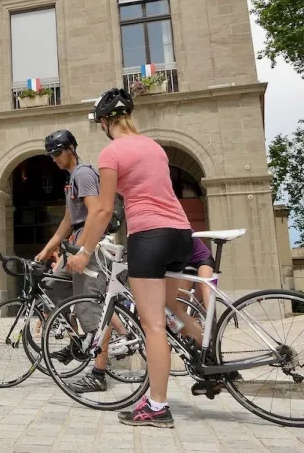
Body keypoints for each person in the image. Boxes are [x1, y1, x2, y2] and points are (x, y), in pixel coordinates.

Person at [66, 88, 200, 428]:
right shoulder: (153, 147)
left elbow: (105, 210)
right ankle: (210, 357)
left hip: (149, 236)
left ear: (105, 122)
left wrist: (84, 251)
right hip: (181, 234)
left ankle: (156, 406)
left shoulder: (112, 152)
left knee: (152, 324)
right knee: (175, 309)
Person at [34, 129, 117, 393]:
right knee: (52, 284)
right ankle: (81, 341)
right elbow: (68, 220)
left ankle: (99, 374)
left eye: (58, 152)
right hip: (76, 243)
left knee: (91, 310)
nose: (55, 158)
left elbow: (95, 212)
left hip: (89, 247)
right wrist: (47, 250)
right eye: (51, 155)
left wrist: (83, 251)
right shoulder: (72, 179)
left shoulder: (82, 173)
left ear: (71, 148)